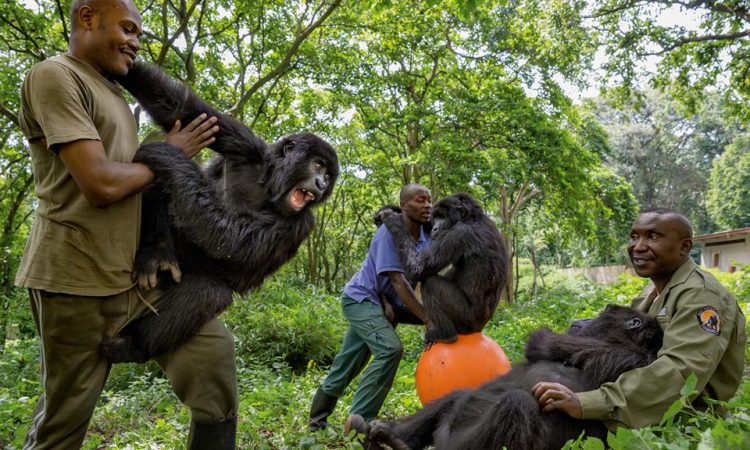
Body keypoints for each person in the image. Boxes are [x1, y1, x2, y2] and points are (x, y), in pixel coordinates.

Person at [15, 0, 238, 448]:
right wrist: (172, 153)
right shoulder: (56, 75)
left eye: (139, 35)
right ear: (87, 18)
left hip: (138, 281)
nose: (136, 43)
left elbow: (141, 184)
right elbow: (99, 183)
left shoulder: (112, 91)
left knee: (214, 362)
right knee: (64, 423)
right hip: (74, 280)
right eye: (129, 29)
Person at [534, 208, 747, 430]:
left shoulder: (701, 296)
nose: (638, 246)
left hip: (682, 418)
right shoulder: (655, 288)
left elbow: (680, 372)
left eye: (653, 237)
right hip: (639, 401)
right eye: (635, 236)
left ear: (685, 247)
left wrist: (587, 403)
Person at [308, 184, 433, 433]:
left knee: (347, 363)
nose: (428, 205)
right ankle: (359, 422)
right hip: (361, 299)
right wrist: (428, 320)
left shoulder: (426, 237)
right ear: (404, 205)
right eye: (421, 200)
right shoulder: (388, 234)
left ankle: (316, 423)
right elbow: (397, 281)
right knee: (390, 349)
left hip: (382, 305)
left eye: (430, 200)